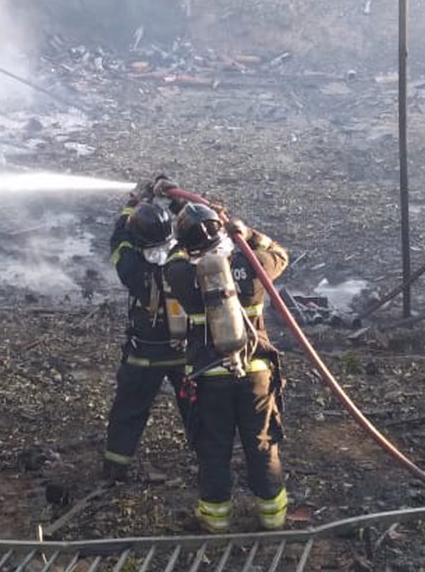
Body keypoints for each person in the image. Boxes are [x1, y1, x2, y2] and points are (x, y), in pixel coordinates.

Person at [162, 200, 289, 532]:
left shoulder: (182, 274)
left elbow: (172, 259)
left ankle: (216, 520)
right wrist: (246, 233)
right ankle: (272, 517)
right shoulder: (253, 266)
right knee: (261, 443)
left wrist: (184, 234)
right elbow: (280, 254)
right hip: (256, 373)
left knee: (213, 448)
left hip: (209, 377)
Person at [102, 178, 191, 482]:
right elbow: (200, 226)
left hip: (144, 355)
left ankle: (115, 467)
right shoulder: (186, 258)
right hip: (186, 354)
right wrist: (178, 200)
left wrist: (132, 203)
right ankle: (209, 461)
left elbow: (119, 239)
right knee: (198, 411)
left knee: (128, 411)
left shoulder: (132, 267)